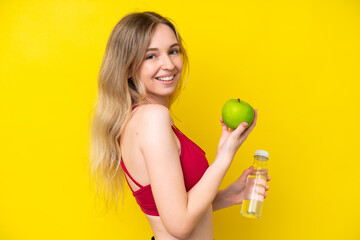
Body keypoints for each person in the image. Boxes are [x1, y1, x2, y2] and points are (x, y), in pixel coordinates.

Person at [89, 11, 270, 240]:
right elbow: (180, 225)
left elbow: (174, 210)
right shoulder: (152, 118)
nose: (169, 64)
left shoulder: (137, 120)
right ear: (127, 68)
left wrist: (230, 195)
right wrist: (226, 155)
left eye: (173, 51)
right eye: (151, 56)